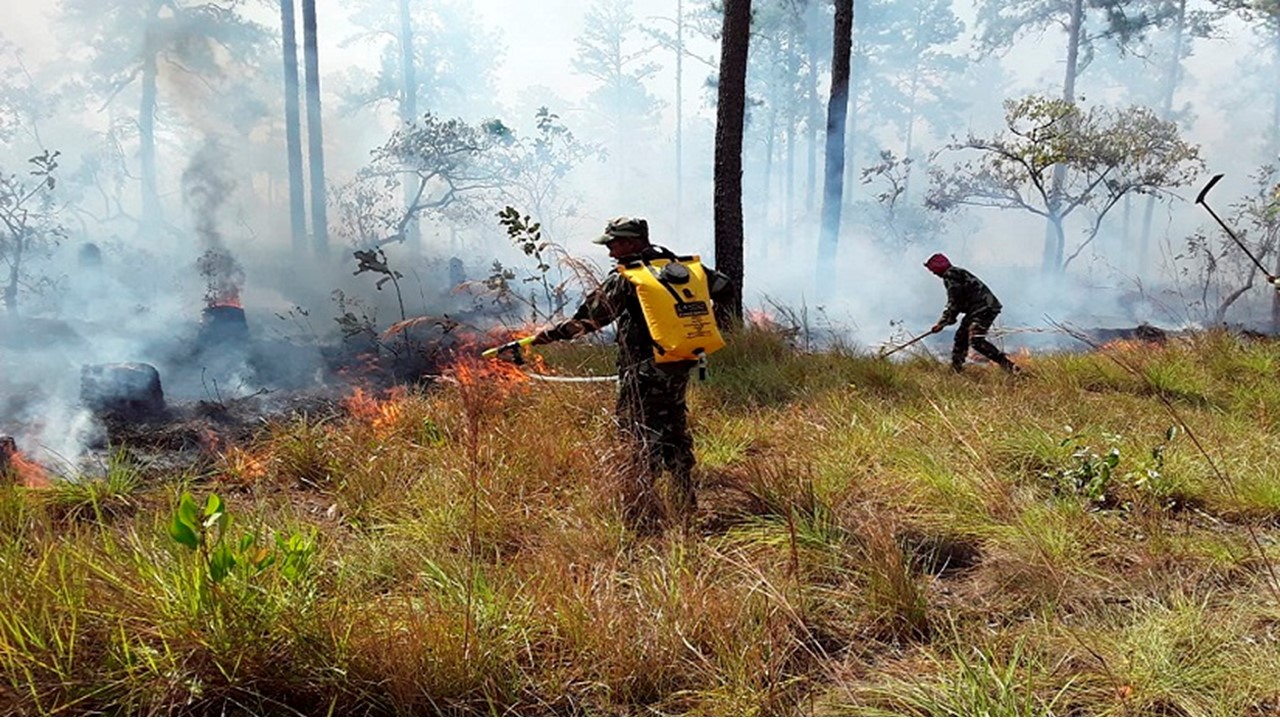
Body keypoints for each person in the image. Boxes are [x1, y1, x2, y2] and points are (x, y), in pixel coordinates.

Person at [527, 216, 731, 530]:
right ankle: (684, 502)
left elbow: (590, 320)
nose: (610, 251)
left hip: (642, 371)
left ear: (633, 242)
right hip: (678, 361)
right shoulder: (678, 266)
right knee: (674, 430)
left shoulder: (630, 276)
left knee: (637, 435)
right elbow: (725, 287)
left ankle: (641, 510)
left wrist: (550, 335)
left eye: (615, 243)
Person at [924, 253, 1018, 373]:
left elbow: (954, 302)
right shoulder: (956, 272)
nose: (934, 273)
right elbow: (957, 302)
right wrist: (948, 320)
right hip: (978, 308)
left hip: (983, 308)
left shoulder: (950, 275)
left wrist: (942, 323)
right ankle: (956, 370)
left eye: (933, 270)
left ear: (938, 267)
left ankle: (1009, 366)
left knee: (976, 340)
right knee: (961, 336)